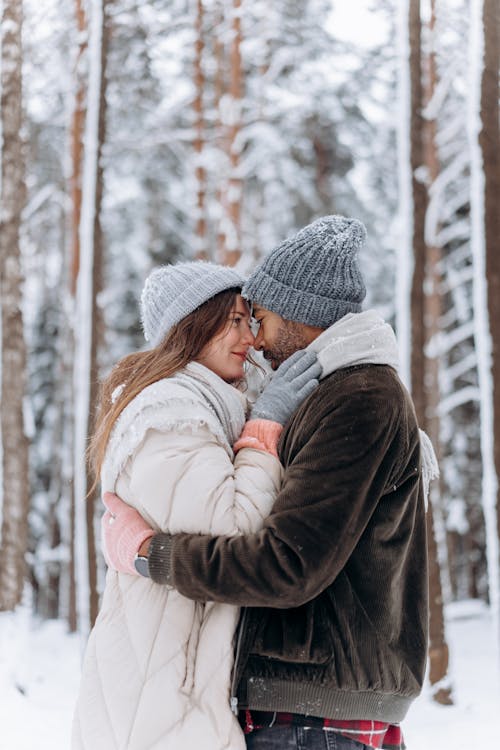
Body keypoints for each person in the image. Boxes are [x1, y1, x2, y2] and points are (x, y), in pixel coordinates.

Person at [103, 216, 438, 750]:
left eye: (258, 316)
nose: (254, 339)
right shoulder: (331, 392)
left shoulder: (360, 398)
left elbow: (286, 565)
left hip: (316, 716)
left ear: (299, 312)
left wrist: (150, 554)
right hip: (305, 709)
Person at [72, 260, 321, 750]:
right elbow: (232, 531)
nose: (248, 337)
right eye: (231, 320)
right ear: (192, 326)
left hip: (178, 678)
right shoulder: (169, 411)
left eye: (249, 320)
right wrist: (264, 429)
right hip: (161, 689)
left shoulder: (208, 406)